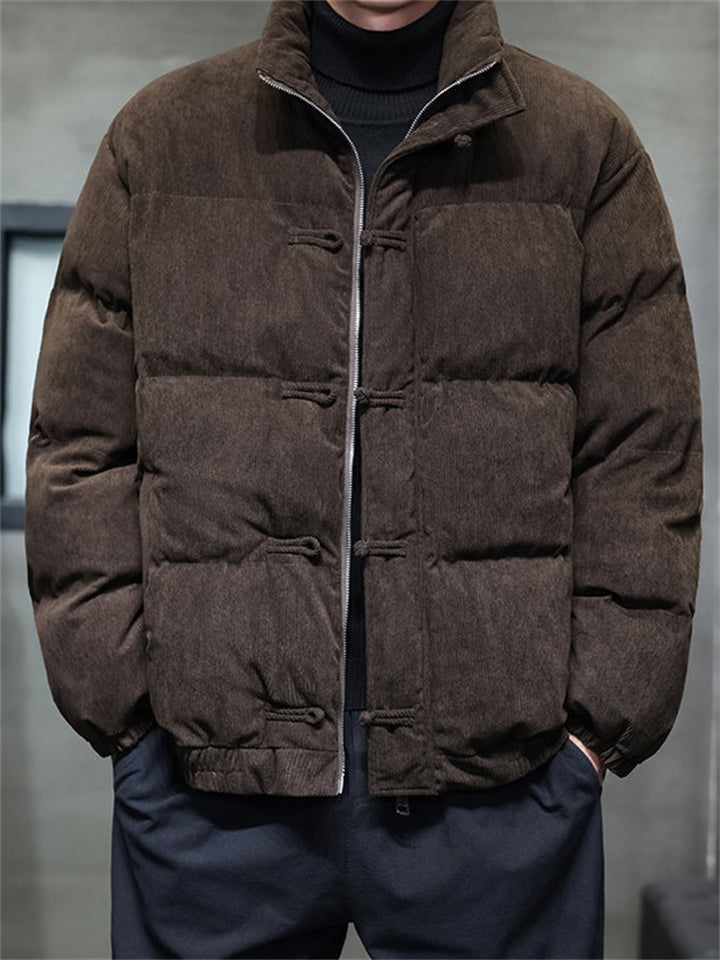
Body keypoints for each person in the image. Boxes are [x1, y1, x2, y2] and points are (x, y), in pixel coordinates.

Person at [24, 1, 703, 957]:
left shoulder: (582, 143)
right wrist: (129, 721)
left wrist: (593, 735)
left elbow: (644, 451)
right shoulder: (162, 135)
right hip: (206, 792)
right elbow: (79, 442)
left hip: (503, 797)